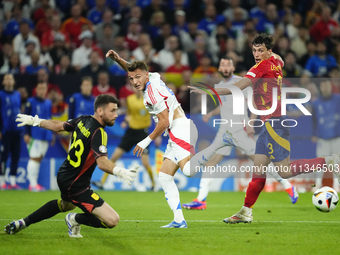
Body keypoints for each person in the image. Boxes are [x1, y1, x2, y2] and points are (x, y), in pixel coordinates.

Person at [190, 33, 340, 224]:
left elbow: (236, 87)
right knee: (259, 170)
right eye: (254, 50)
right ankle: (246, 211)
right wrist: (272, 53)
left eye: (261, 50)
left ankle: (329, 160)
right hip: (269, 124)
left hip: (275, 123)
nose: (257, 54)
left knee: (284, 171)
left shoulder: (260, 68)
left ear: (268, 51)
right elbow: (281, 59)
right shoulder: (276, 61)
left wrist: (207, 90)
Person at [5, 94, 138, 237]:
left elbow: (58, 126)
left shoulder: (83, 120)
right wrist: (120, 171)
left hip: (65, 175)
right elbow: (102, 162)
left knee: (66, 205)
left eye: (116, 110)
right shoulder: (99, 132)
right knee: (112, 220)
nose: (116, 115)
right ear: (100, 111)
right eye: (112, 111)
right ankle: (74, 219)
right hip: (76, 184)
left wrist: (36, 121)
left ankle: (21, 223)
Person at [182, 57, 298, 210]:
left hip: (239, 130)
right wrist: (211, 113)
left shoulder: (242, 82)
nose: (225, 67)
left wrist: (251, 123)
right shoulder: (219, 85)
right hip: (224, 131)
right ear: (219, 68)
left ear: (232, 67)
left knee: (259, 162)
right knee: (210, 162)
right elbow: (224, 106)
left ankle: (288, 185)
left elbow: (254, 102)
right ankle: (201, 200)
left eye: (228, 65)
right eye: (222, 64)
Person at [106, 50, 198, 228]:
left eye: (137, 78)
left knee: (188, 171)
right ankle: (179, 220)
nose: (134, 81)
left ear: (146, 75)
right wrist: (118, 60)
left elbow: (163, 121)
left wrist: (144, 141)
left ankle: (212, 152)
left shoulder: (152, 93)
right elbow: (133, 69)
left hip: (179, 129)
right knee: (164, 176)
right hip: (176, 130)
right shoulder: (153, 77)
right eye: (132, 79)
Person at [92, 90, 156, 191]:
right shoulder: (130, 99)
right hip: (130, 132)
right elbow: (129, 113)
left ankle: (153, 184)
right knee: (114, 156)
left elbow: (155, 116)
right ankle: (102, 182)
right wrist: (126, 121)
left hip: (143, 133)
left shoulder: (149, 100)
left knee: (145, 162)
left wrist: (158, 135)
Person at [24, 82, 52, 191]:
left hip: (46, 135)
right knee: (34, 158)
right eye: (40, 88)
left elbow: (49, 118)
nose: (42, 90)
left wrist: (51, 133)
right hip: (34, 134)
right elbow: (25, 118)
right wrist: (26, 133)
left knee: (39, 158)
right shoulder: (30, 102)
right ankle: (32, 184)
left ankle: (34, 182)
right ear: (36, 89)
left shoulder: (48, 102)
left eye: (44, 88)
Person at [0, 74, 22, 189]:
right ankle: (2, 181)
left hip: (17, 131)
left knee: (16, 156)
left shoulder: (18, 94)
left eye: (11, 79)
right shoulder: (1, 95)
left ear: (13, 82)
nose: (9, 81)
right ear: (3, 82)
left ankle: (13, 182)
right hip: (5, 131)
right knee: (3, 156)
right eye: (7, 79)